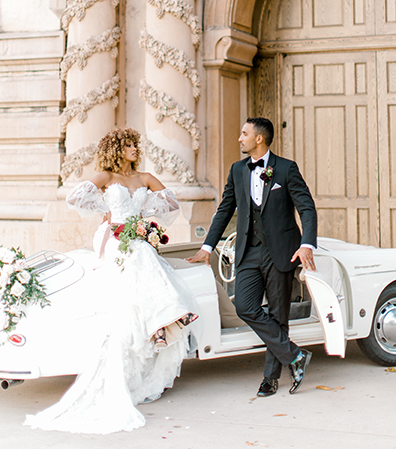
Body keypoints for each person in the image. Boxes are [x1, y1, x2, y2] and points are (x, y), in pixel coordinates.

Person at [25, 127, 197, 434]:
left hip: (135, 234)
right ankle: (167, 319)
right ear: (117, 149)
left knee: (143, 254)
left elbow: (171, 202)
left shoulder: (144, 177)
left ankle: (160, 324)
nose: (134, 149)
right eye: (129, 145)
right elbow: (76, 196)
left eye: (135, 144)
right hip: (113, 236)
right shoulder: (106, 177)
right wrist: (108, 212)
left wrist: (144, 220)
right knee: (142, 256)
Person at [188, 117, 317, 397]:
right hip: (248, 251)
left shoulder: (286, 168)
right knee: (245, 306)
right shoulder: (237, 170)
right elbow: (224, 210)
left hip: (282, 251)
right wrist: (207, 247)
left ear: (259, 138)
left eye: (244, 133)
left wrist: (307, 244)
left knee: (278, 315)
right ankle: (295, 355)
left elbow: (306, 208)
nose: (239, 138)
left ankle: (270, 378)